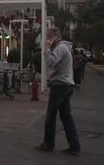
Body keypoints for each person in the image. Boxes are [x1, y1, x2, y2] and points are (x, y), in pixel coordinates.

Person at [34, 27, 81, 155]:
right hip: (66, 85)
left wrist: (47, 49)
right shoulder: (64, 47)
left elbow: (51, 62)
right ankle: (74, 146)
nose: (47, 39)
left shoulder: (60, 48)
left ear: (55, 36)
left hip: (60, 85)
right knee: (66, 116)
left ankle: (48, 144)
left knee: (51, 115)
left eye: (49, 37)